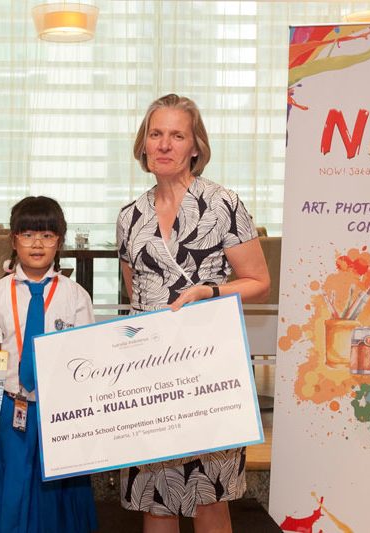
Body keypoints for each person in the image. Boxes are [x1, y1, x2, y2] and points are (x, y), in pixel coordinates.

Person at [116, 94, 270, 533]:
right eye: (156, 134)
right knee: (156, 497)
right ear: (144, 144)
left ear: (195, 147)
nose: (164, 144)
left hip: (208, 368)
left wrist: (209, 292)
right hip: (149, 373)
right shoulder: (130, 216)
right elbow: (135, 293)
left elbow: (258, 281)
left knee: (209, 495)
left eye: (177, 135)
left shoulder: (222, 204)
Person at [0, 196, 98, 533]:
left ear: (59, 241)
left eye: (47, 235)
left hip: (59, 410)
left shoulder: (75, 296)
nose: (37, 244)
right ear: (14, 241)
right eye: (27, 235)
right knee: (11, 486)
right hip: (11, 406)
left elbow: (84, 357)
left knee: (56, 489)